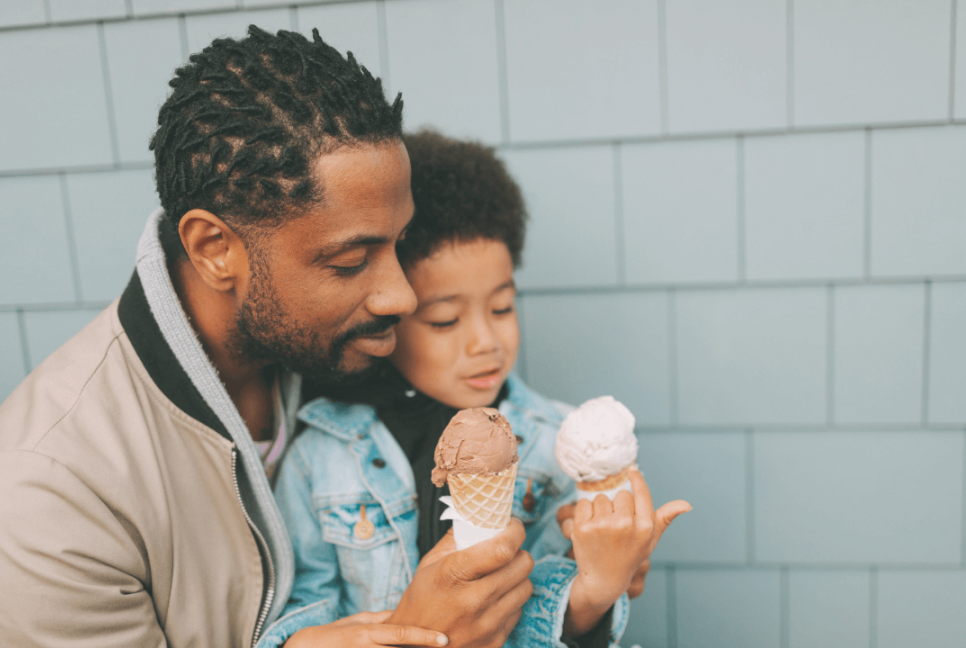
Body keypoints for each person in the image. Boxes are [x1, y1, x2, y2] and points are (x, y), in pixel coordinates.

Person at [0, 27, 531, 648]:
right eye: (351, 260)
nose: (402, 296)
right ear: (215, 249)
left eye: (399, 244)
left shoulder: (354, 349)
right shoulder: (47, 495)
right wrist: (420, 636)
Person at [267, 131, 691, 648]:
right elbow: (302, 610)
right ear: (388, 315)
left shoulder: (554, 443)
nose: (486, 342)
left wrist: (599, 587)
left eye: (502, 308)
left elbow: (560, 617)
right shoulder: (322, 456)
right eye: (445, 320)